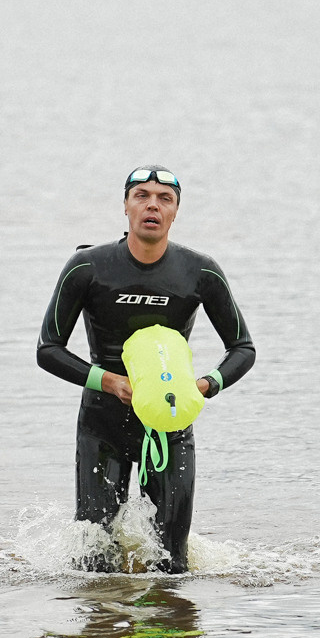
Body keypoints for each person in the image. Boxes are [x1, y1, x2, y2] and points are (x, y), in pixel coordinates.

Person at [37, 166, 255, 575]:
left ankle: (164, 633)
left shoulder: (200, 272)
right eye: (141, 195)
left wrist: (205, 386)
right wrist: (110, 380)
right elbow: (48, 349)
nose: (152, 204)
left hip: (169, 423)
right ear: (125, 206)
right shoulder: (87, 267)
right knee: (94, 564)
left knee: (172, 564)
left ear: (175, 213)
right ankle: (106, 631)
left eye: (164, 198)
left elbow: (242, 347)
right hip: (103, 422)